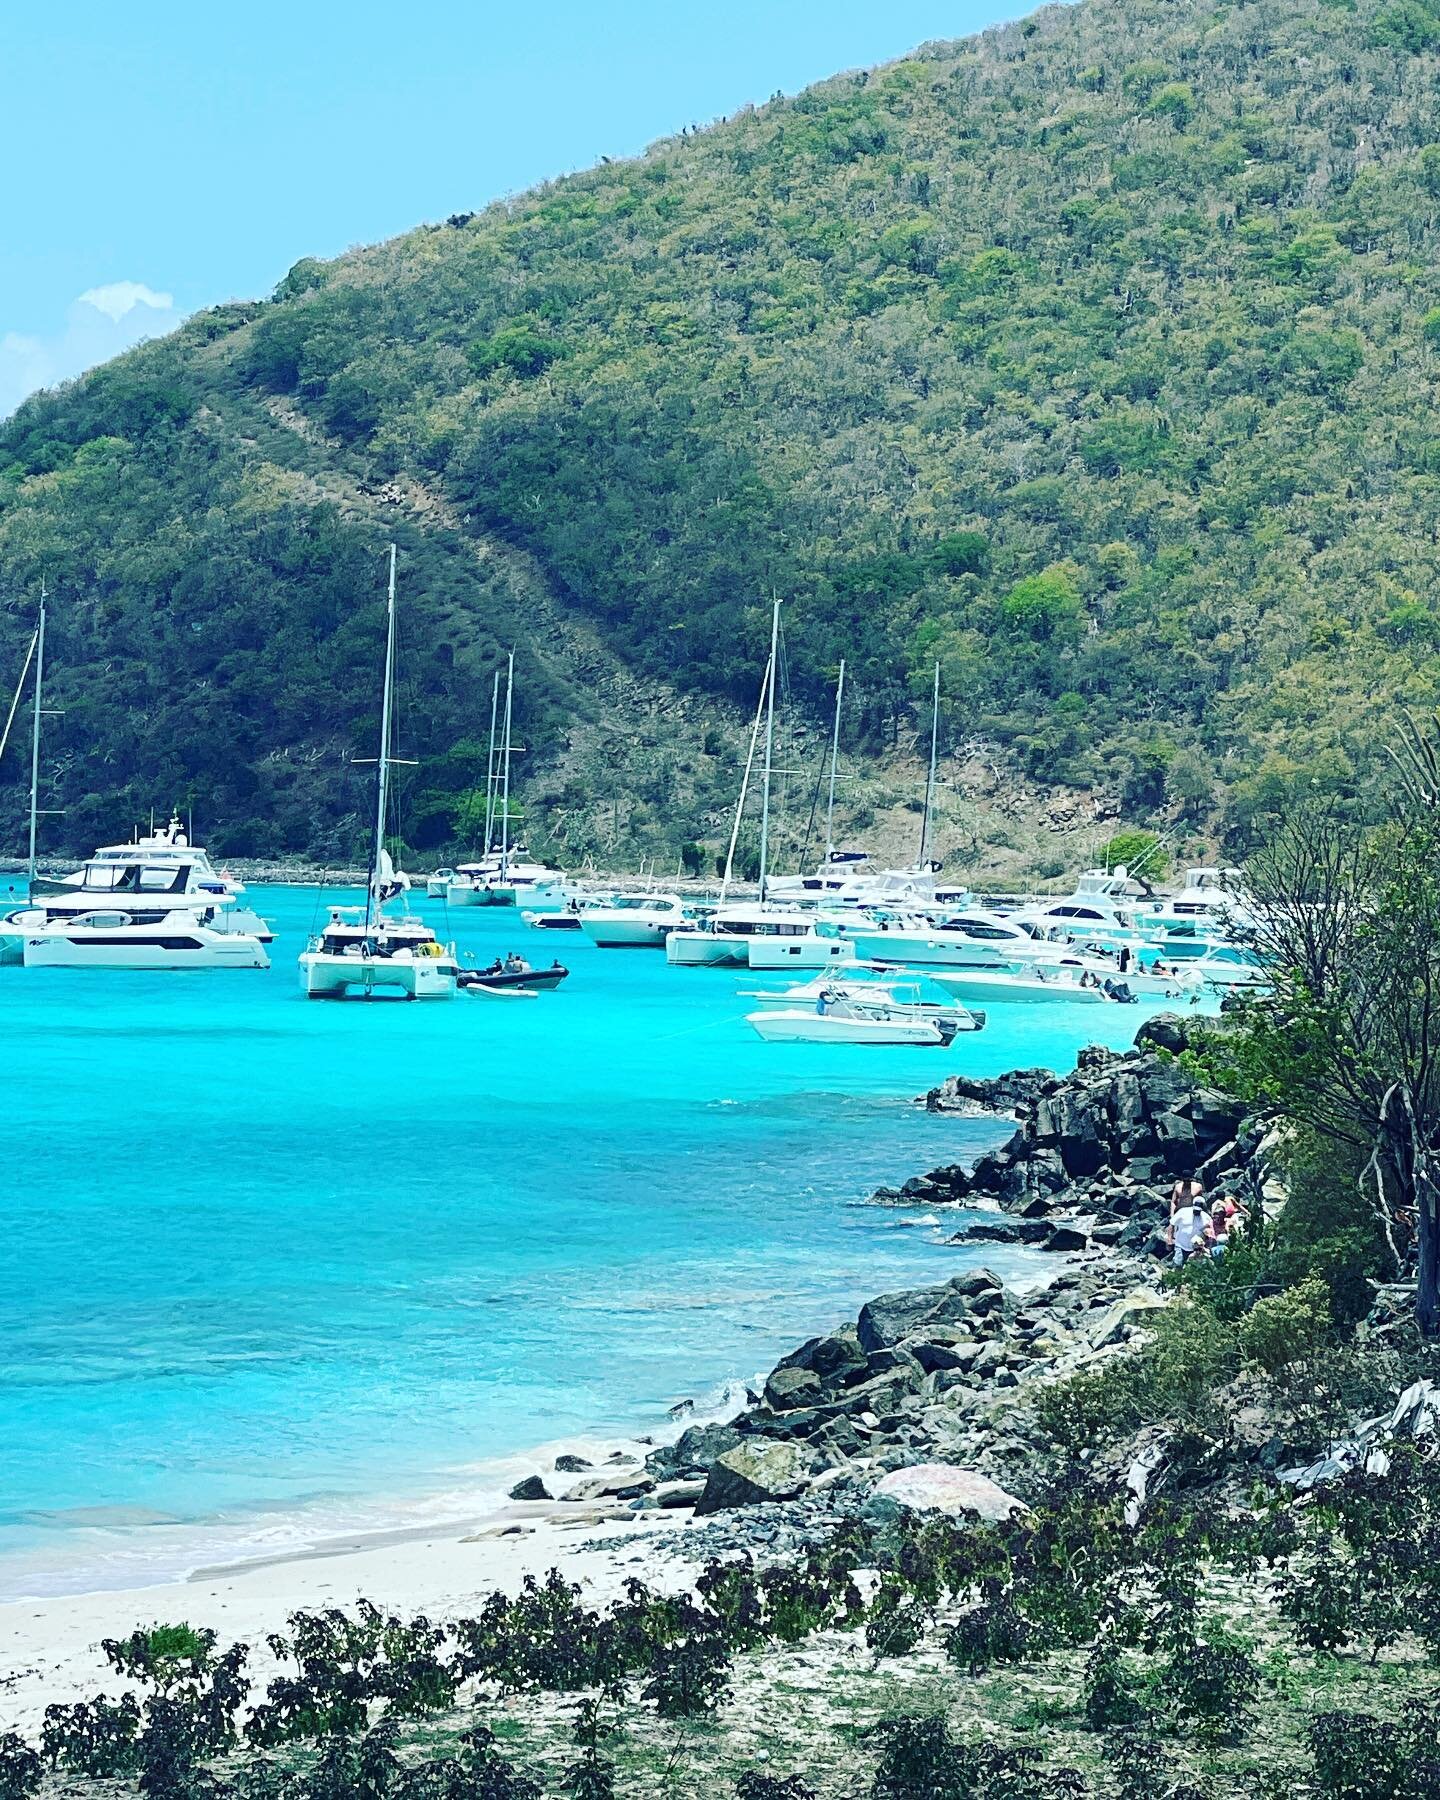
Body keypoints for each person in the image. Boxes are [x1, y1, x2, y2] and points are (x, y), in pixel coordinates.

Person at [1169, 1200, 1208, 1266]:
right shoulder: (1183, 1211)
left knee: (1192, 1266)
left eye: (1198, 1210)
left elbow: (1209, 1232)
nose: (1196, 1211)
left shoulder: (1206, 1218)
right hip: (1180, 1245)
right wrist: (1170, 1238)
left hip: (1195, 1249)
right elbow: (1172, 1224)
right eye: (1195, 1209)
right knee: (1177, 1263)